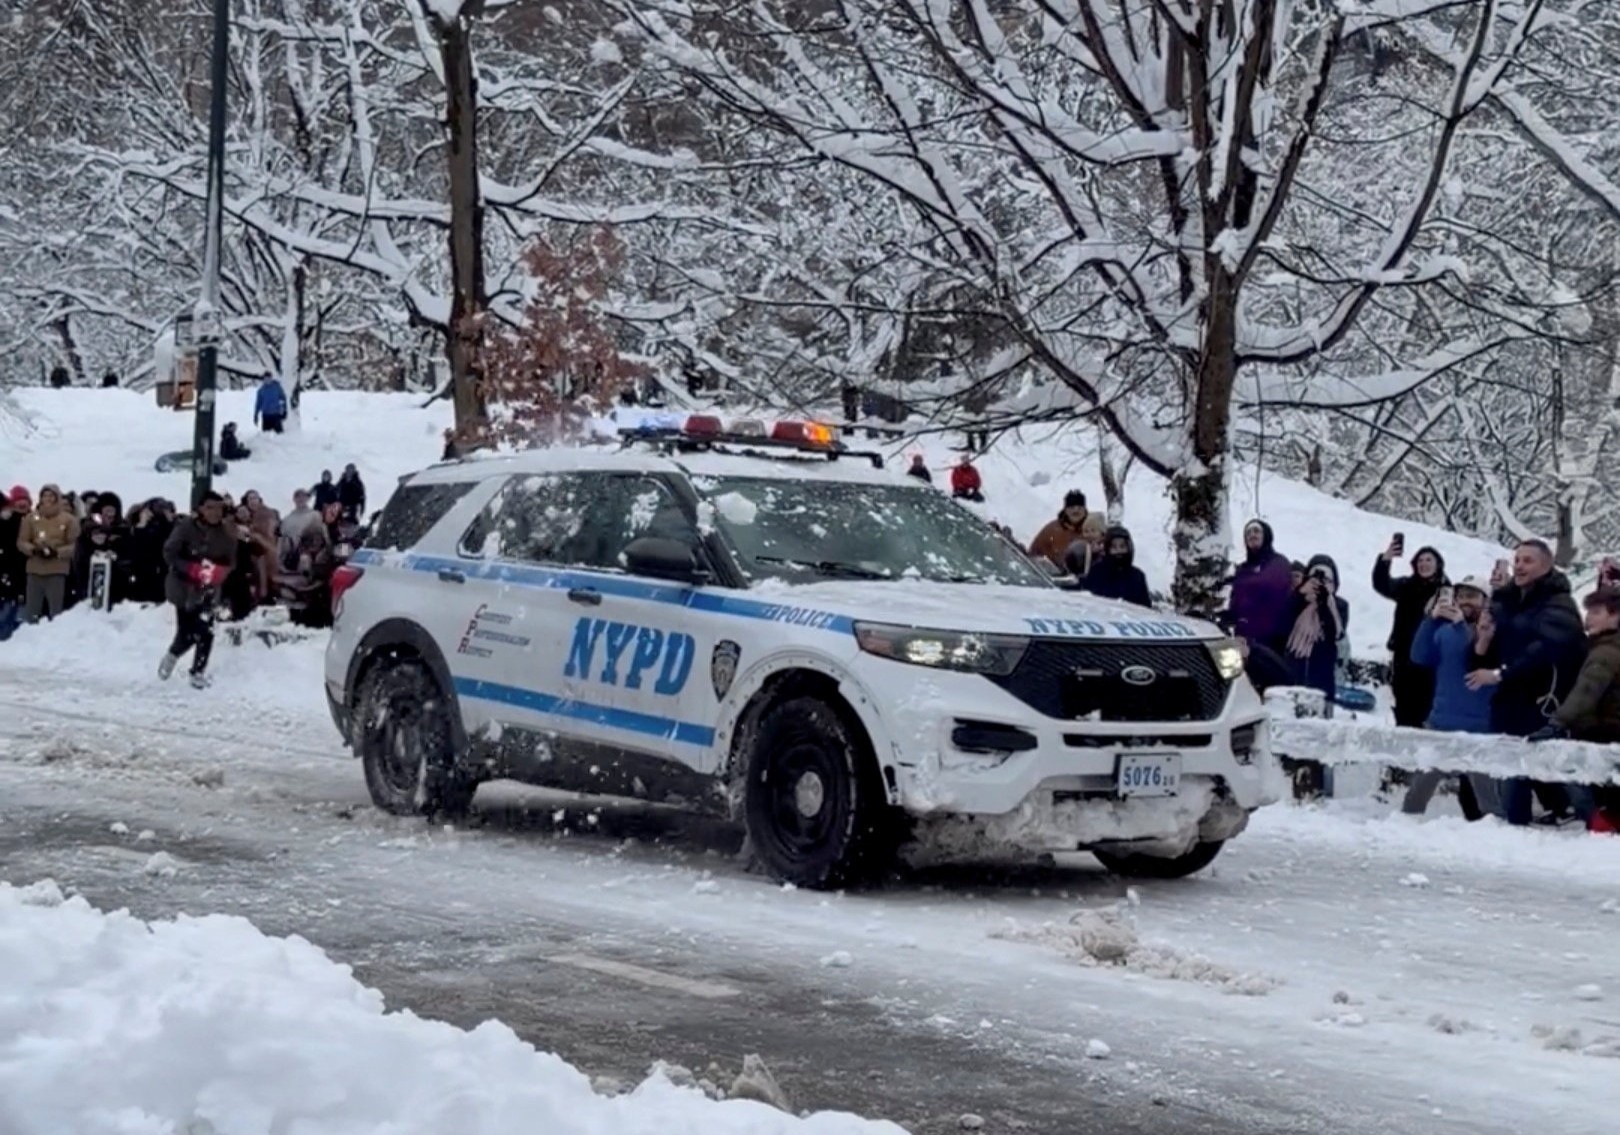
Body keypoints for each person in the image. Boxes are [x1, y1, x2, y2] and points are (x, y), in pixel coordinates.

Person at [1466, 539, 1587, 825]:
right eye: (1517, 559)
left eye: (1528, 560)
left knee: (1550, 772)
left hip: (1543, 703)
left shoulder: (1559, 603)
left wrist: (1501, 673)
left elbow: (1546, 650)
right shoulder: (1505, 602)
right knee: (1511, 773)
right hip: (1508, 703)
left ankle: (1584, 822)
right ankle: (1520, 826)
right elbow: (1482, 659)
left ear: (1546, 566)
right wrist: (1482, 639)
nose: (1520, 566)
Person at [1401, 577, 1500, 819]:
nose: (1466, 601)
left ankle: (1497, 839)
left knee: (1489, 799)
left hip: (1480, 727)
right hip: (1441, 722)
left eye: (1473, 596)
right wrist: (1430, 620)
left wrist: (1459, 626)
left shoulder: (1492, 632)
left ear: (1485, 602)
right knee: (1418, 792)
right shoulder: (1444, 631)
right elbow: (1418, 656)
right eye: (1462, 596)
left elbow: (1472, 656)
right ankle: (1404, 831)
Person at [1525, 587, 1620, 826]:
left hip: (1604, 729)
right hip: (1606, 728)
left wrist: (1557, 722)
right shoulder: (1601, 646)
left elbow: (1587, 691)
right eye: (1589, 611)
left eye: (1597, 612)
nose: (1589, 617)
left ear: (1615, 615)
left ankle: (1598, 828)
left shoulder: (1606, 652)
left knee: (1587, 783)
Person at [159, 492, 237, 689]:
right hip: (183, 587)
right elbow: (169, 553)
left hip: (209, 587)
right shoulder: (186, 527)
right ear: (201, 509)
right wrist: (190, 568)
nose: (215, 513)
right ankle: (173, 654)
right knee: (187, 630)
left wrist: (221, 571)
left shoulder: (226, 532)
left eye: (219, 508)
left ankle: (198, 671)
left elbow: (231, 560)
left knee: (206, 630)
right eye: (210, 507)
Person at [1373, 541, 1448, 727]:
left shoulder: (1446, 591)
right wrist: (1385, 560)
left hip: (1430, 659)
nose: (1424, 564)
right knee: (1403, 704)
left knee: (1426, 707)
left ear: (1438, 564)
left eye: (1429, 559)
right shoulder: (1407, 586)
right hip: (1404, 655)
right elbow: (1382, 584)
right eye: (1420, 560)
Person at [1286, 555, 1348, 700]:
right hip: (1294, 668)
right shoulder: (1297, 599)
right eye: (1316, 578)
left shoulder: (1339, 605)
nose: (1320, 583)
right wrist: (1300, 594)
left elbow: (1335, 633)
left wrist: (1325, 603)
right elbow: (1283, 620)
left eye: (1326, 580)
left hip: (1322, 674)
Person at [1229, 519, 1296, 653]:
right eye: (1248, 533)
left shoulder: (1279, 562)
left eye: (1256, 531)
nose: (1252, 535)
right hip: (1245, 642)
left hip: (1273, 640)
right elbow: (1237, 603)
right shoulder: (1243, 569)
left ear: (1266, 535)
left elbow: (1269, 584)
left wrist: (1242, 582)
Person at [16, 484, 79, 623]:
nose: (48, 499)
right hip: (34, 568)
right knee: (32, 611)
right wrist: (33, 549)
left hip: (57, 569)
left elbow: (75, 545)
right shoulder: (30, 519)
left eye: (51, 496)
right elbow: (22, 541)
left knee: (56, 612)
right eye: (45, 496)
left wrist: (57, 552)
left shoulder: (69, 520)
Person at [1028, 490, 1106, 574]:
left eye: (1079, 508)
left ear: (1084, 509)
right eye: (1072, 508)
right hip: (1057, 580)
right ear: (1065, 510)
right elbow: (1033, 555)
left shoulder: (1095, 528)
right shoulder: (1051, 530)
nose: (1076, 511)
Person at [1083, 526, 1152, 608]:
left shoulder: (1138, 576)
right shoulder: (1097, 572)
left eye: (1122, 546)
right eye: (1114, 547)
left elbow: (1146, 608)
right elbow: (1087, 600)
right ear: (1107, 549)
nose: (1118, 551)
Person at [0, 486, 28, 640]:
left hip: (19, 576)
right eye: (18, 502)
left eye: (24, 502)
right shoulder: (6, 521)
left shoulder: (29, 521)